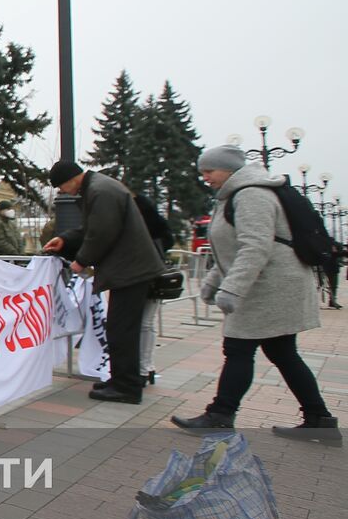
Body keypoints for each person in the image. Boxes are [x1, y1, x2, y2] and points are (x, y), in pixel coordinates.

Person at [171, 146, 339, 442]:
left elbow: (255, 247)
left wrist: (231, 288)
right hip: (264, 284)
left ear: (230, 169)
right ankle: (319, 419)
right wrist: (213, 282)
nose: (205, 176)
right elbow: (230, 250)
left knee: (239, 349)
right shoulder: (234, 195)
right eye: (202, 171)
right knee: (282, 353)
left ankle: (220, 416)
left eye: (210, 170)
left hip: (269, 286)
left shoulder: (251, 194)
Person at [43, 160, 165, 404]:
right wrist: (65, 240)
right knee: (119, 329)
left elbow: (101, 233)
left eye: (61, 187)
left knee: (122, 330)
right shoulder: (99, 188)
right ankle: (120, 380)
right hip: (130, 269)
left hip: (130, 270)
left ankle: (127, 387)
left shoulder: (100, 191)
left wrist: (80, 261)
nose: (62, 192)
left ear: (70, 179)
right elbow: (92, 228)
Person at [133, 189, 174, 387]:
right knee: (146, 324)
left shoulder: (138, 215)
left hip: (145, 275)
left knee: (144, 324)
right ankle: (145, 366)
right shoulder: (151, 220)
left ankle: (144, 366)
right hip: (149, 273)